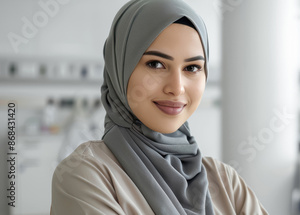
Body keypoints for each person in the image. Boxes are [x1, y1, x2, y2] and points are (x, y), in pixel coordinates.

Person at [50, 0, 268, 214]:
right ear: (120, 67)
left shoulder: (226, 182)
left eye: (192, 67)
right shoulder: (85, 176)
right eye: (155, 64)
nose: (177, 88)